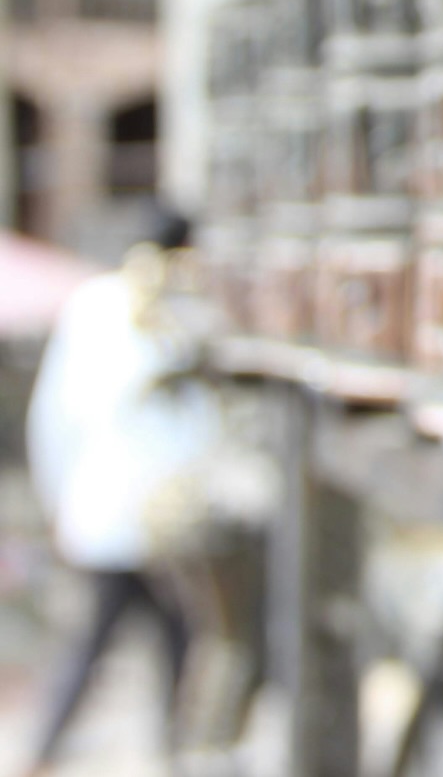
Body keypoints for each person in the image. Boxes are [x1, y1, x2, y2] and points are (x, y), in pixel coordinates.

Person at [22, 207, 220, 772]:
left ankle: (167, 749)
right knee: (111, 640)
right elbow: (63, 414)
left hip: (148, 518)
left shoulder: (159, 309)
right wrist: (57, 498)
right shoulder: (113, 307)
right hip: (115, 513)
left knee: (173, 634)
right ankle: (152, 749)